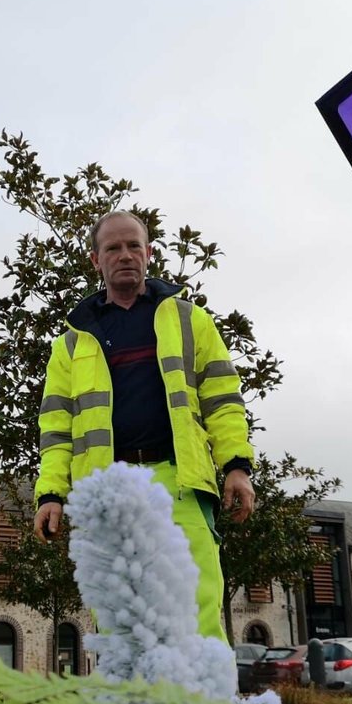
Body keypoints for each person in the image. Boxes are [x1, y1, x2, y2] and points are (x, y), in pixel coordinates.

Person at [33, 210, 256, 642]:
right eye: (113, 248)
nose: (125, 255)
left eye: (134, 245)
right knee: (120, 622)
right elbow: (56, 429)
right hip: (106, 491)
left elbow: (223, 399)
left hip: (179, 481)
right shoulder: (72, 341)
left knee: (198, 612)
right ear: (96, 260)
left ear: (149, 253)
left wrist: (236, 465)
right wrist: (50, 494)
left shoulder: (190, 320)